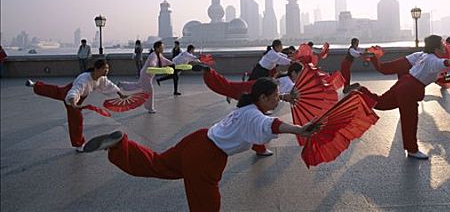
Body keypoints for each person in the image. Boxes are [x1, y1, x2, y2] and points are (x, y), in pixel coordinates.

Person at [82, 77, 320, 211]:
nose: (279, 100)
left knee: (157, 164)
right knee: (206, 207)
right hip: (207, 158)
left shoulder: (248, 105)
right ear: (263, 98)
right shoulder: (254, 115)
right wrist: (298, 129)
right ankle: (119, 146)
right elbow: (272, 124)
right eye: (276, 97)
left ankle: (120, 144)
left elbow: (269, 112)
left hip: (198, 139)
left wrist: (286, 98)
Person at [357, 35, 450, 159]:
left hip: (404, 83)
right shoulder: (432, 60)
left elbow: (447, 66)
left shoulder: (422, 55)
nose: (444, 45)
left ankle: (359, 91)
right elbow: (446, 62)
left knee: (381, 103)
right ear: (436, 47)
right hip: (410, 90)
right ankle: (412, 150)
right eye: (442, 44)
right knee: (410, 120)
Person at [198, 62, 304, 157]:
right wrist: (298, 130)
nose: (301, 77)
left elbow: (271, 98)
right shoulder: (252, 112)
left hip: (205, 138)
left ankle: (259, 148)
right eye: (301, 74)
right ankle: (208, 72)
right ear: (294, 73)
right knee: (230, 89)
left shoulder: (253, 106)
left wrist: (284, 97)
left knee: (255, 121)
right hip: (207, 150)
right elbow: (268, 124)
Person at [25, 59, 125, 152]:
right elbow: (75, 91)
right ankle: (78, 144)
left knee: (55, 91)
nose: (107, 70)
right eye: (104, 68)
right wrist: (74, 104)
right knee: (76, 119)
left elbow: (109, 85)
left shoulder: (101, 78)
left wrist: (121, 94)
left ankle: (35, 85)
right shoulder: (84, 79)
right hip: (71, 97)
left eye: (107, 68)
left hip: (73, 95)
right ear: (96, 68)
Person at [119, 41, 173, 114]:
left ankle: (122, 84)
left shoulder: (159, 55)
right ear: (157, 48)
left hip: (147, 74)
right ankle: (150, 108)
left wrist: (173, 63)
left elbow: (165, 61)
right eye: (161, 47)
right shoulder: (153, 55)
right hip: (146, 75)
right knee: (149, 90)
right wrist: (154, 66)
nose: (163, 49)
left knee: (138, 86)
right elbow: (152, 63)